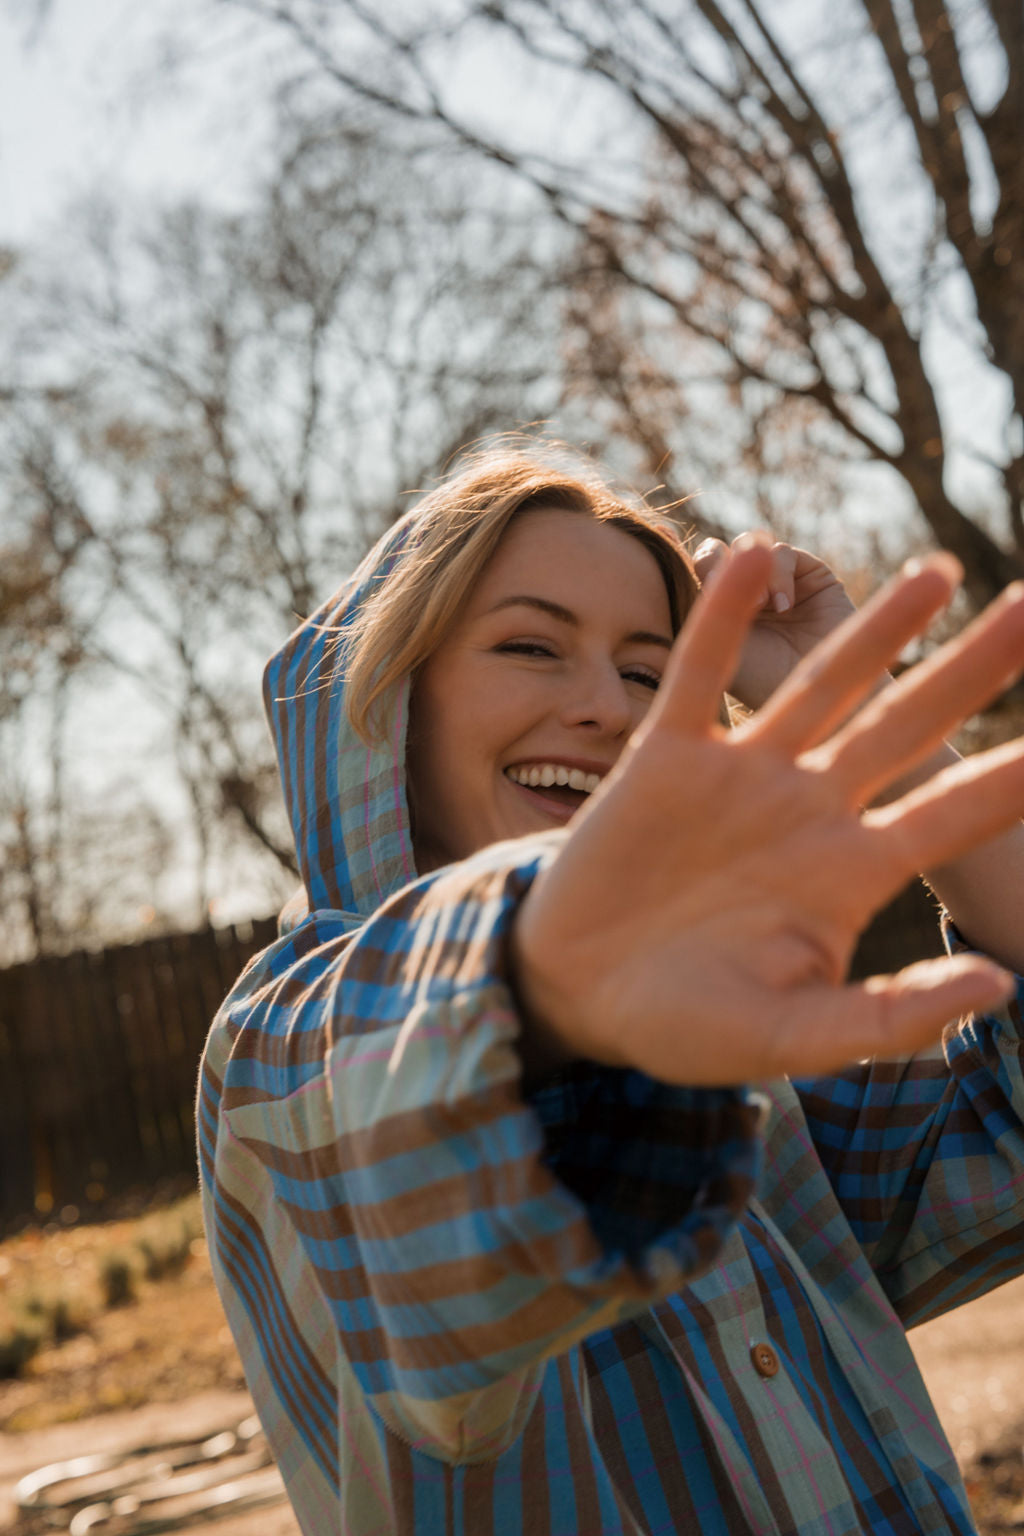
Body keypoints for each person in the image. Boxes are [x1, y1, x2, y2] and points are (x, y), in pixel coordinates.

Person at [198, 448, 1024, 1536]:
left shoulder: (741, 1088)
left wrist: (870, 726)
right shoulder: (284, 1041)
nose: (604, 707)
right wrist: (543, 975)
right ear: (393, 702)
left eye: (646, 671)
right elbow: (389, 1101)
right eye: (531, 646)